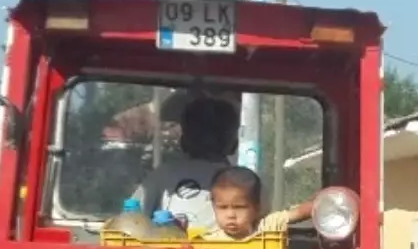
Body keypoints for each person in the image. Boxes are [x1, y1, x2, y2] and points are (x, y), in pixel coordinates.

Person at [130, 95, 240, 230]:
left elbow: (131, 222)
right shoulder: (246, 183)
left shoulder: (162, 176)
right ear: (233, 141)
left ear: (185, 138)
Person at [203, 165, 315, 241]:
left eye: (239, 207)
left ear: (256, 207)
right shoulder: (208, 240)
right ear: (214, 207)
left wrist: (326, 197)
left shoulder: (267, 226)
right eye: (222, 207)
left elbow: (300, 212)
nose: (231, 215)